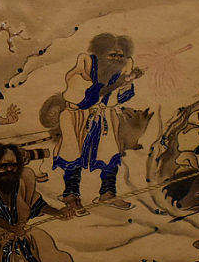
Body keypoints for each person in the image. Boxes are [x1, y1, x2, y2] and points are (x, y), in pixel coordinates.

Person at [53, 33, 144, 211]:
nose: (117, 59)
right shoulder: (85, 64)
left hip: (104, 117)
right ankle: (71, 194)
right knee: (73, 153)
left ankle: (108, 194)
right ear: (101, 53)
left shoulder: (123, 69)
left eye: (120, 56)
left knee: (110, 153)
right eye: (112, 55)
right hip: (77, 116)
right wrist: (119, 83)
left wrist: (128, 82)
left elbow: (121, 97)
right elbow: (85, 97)